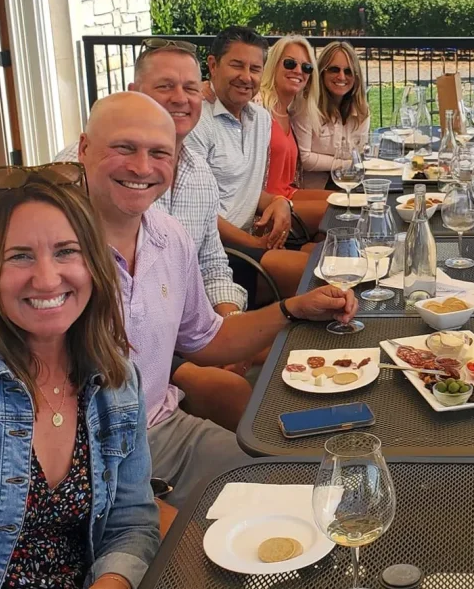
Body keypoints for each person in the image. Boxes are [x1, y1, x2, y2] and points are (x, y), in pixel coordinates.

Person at [79, 91, 359, 508]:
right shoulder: (51, 257)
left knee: (315, 496)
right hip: (85, 464)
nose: (142, 167)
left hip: (165, 430)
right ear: (84, 149)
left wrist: (292, 308)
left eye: (160, 153)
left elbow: (206, 340)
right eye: (124, 148)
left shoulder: (169, 236)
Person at [56, 38, 256, 431]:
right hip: (112, 385)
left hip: (176, 334)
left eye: (190, 88)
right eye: (165, 86)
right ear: (135, 93)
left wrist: (227, 319)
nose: (180, 98)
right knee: (235, 391)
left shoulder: (198, 172)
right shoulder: (73, 182)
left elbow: (212, 262)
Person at [0, 173, 159, 589]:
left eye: (66, 252)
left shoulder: (116, 378)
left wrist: (111, 582)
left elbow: (131, 521)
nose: (46, 279)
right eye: (19, 256)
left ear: (93, 263)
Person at [185, 26, 310, 302]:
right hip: (220, 252)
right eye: (237, 65)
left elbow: (245, 190)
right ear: (213, 65)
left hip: (253, 240)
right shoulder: (197, 125)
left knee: (329, 253)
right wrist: (253, 243)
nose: (246, 77)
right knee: (317, 274)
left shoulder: (261, 121)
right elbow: (198, 214)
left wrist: (278, 202)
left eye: (255, 68)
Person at [259, 35, 332, 228]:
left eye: (306, 67)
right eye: (290, 63)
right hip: (265, 207)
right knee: (342, 213)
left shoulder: (292, 112)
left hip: (290, 194)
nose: (298, 71)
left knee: (346, 200)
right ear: (273, 65)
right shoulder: (257, 106)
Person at [292, 41, 371, 188]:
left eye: (348, 71)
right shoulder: (306, 105)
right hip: (314, 189)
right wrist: (346, 163)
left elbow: (360, 153)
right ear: (321, 72)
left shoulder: (361, 110)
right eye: (334, 69)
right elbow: (305, 159)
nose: (341, 77)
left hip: (352, 182)